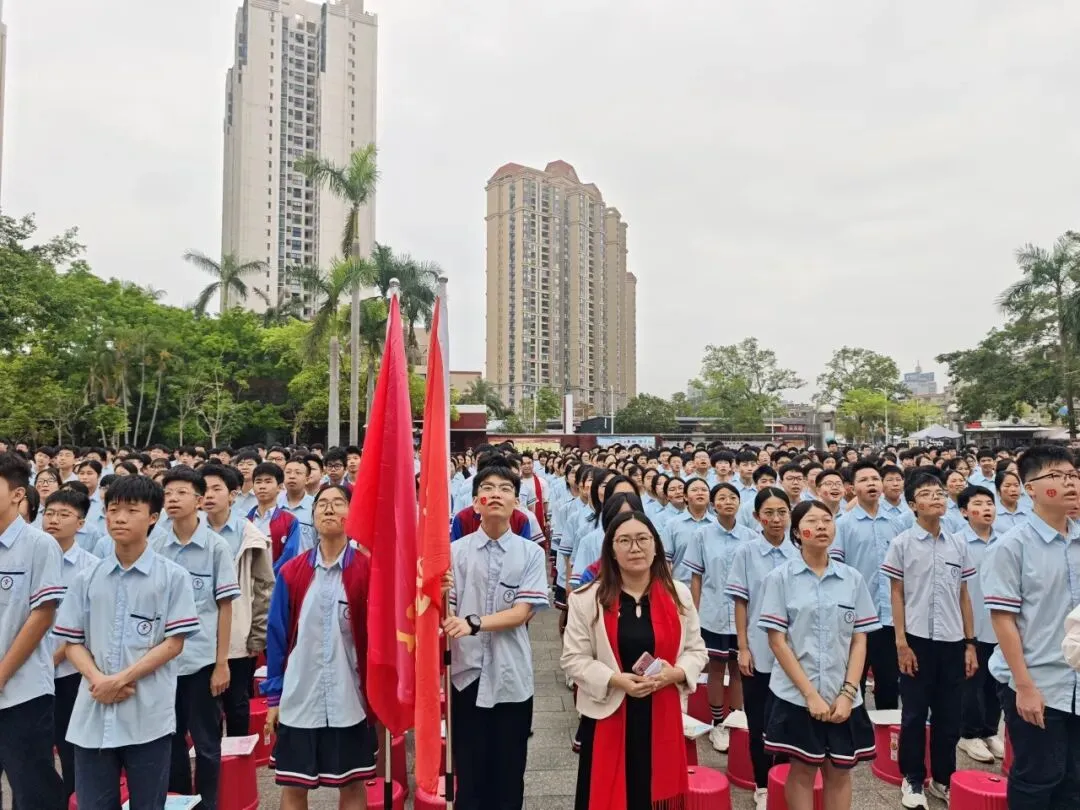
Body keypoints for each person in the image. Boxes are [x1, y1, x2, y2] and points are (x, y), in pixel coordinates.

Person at [53, 474, 200, 810]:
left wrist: (121, 679)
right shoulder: (88, 577)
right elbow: (72, 641)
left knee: (148, 804)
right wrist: (99, 680)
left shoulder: (172, 577)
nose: (119, 518)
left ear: (153, 517)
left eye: (132, 510)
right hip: (93, 714)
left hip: (147, 716)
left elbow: (174, 643)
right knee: (93, 803)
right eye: (113, 510)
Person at [561, 510, 707, 810]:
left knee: (654, 791)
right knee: (607, 791)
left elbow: (696, 650)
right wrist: (615, 680)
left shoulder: (678, 595)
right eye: (624, 541)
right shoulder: (587, 599)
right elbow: (574, 658)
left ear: (655, 546)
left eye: (642, 539)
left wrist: (676, 673)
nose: (635, 548)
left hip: (662, 709)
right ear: (611, 551)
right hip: (609, 710)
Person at [759, 500, 879, 810]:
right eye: (813, 521)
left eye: (827, 519)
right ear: (797, 532)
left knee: (839, 771)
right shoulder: (780, 578)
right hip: (796, 695)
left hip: (842, 695)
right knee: (802, 770)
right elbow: (777, 641)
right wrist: (810, 695)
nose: (822, 526)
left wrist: (848, 693)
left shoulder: (852, 579)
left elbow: (859, 640)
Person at [443, 463, 549, 810]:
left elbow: (522, 613)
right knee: (470, 774)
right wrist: (438, 594)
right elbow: (447, 613)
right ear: (476, 502)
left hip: (510, 677)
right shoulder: (455, 553)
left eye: (506, 489)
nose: (496, 494)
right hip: (466, 675)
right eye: (488, 488)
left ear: (516, 502)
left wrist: (474, 623)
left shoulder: (531, 553)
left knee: (508, 773)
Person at [262, 485, 376, 809]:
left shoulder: (367, 572)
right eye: (322, 503)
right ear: (312, 516)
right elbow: (277, 637)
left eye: (338, 503)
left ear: (353, 514)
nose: (329, 509)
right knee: (293, 787)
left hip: (349, 700)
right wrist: (274, 697)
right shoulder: (292, 573)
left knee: (352, 784)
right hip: (300, 698)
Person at [983, 445, 1080, 810]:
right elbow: (1003, 619)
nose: (1069, 483)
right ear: (1030, 489)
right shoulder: (1012, 546)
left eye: (1072, 475)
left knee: (1074, 781)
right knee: (1037, 778)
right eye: (1056, 476)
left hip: (1076, 680)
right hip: (1037, 682)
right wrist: (1024, 687)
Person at [881, 471, 977, 807]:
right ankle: (912, 778)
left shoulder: (958, 543)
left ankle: (943, 778)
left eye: (939, 493)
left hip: (952, 640)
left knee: (949, 716)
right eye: (926, 494)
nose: (936, 498)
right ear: (912, 504)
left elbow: (964, 595)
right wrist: (901, 642)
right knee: (913, 714)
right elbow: (896, 594)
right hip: (917, 640)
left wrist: (969, 643)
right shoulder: (902, 544)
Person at [152, 466, 240, 810]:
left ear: (199, 500)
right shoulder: (156, 544)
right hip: (163, 662)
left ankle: (208, 804)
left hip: (201, 662)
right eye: (167, 493)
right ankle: (179, 801)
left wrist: (222, 663)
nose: (172, 499)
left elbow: (225, 607)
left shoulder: (216, 547)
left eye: (181, 493)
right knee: (169, 740)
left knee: (206, 743)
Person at [0, 452, 66, 810]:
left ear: (17, 494)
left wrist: (1, 675)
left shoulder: (39, 545)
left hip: (23, 693)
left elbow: (42, 616)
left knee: (33, 789)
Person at [726, 487, 799, 808]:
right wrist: (742, 647)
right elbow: (741, 603)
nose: (776, 519)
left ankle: (784, 779)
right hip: (758, 650)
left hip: (794, 654)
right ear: (757, 517)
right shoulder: (746, 552)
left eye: (782, 512)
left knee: (789, 720)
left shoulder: (799, 552)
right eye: (769, 513)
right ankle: (762, 785)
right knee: (759, 722)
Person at [201, 463, 274, 738]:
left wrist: (257, 634)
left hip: (238, 633)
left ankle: (237, 756)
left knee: (237, 703)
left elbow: (264, 587)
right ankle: (210, 757)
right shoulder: (190, 531)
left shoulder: (249, 534)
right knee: (203, 705)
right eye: (203, 489)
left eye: (216, 489)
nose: (209, 495)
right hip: (200, 635)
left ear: (233, 495)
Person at [686, 481, 756, 753]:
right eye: (722, 498)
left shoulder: (750, 536)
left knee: (739, 669)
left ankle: (735, 720)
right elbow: (696, 578)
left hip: (742, 614)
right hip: (712, 613)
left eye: (733, 497)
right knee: (716, 667)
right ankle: (718, 723)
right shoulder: (702, 535)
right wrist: (694, 613)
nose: (728, 502)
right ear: (713, 504)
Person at [830, 460, 905, 711]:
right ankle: (855, 729)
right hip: (857, 616)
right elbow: (838, 570)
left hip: (889, 617)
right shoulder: (843, 524)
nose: (871, 484)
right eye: (864, 480)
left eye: (875, 479)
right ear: (852, 488)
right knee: (854, 680)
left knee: (889, 682)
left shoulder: (897, 523)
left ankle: (887, 731)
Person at [42, 487, 98, 802]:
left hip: (69, 672)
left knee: (70, 745)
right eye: (49, 513)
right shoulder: (33, 557)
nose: (54, 520)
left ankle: (73, 800)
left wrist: (56, 656)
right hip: (26, 669)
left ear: (80, 523)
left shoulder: (90, 567)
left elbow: (86, 624)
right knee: (32, 750)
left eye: (64, 515)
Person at [955, 485, 1005, 764]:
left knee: (996, 681)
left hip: (1000, 624)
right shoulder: (957, 543)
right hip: (970, 625)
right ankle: (968, 734)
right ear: (964, 512)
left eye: (989, 503)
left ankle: (989, 730)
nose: (986, 508)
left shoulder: (1006, 541)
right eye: (978, 504)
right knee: (971, 683)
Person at [247, 461, 302, 573]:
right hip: (247, 579)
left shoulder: (290, 521)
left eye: (268, 481)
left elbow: (289, 555)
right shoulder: (245, 521)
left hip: (276, 579)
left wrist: (270, 576)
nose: (262, 486)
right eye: (258, 482)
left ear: (280, 487)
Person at [280, 457, 316, 551]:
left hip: (305, 559)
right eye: (288, 472)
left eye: (298, 473)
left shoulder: (315, 506)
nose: (292, 476)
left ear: (307, 479)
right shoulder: (274, 504)